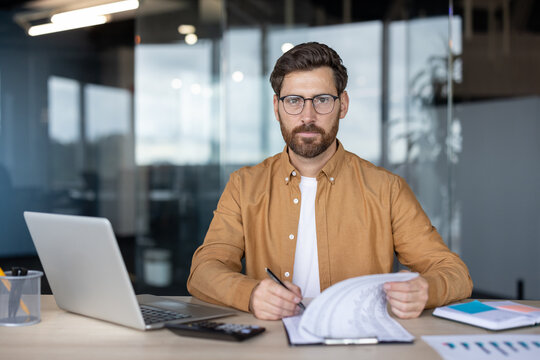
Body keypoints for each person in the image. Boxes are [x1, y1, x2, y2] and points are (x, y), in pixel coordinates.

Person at [187, 42, 473, 321]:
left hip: (361, 345)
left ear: (343, 105)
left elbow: (454, 273)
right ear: (277, 107)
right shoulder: (244, 186)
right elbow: (203, 271)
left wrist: (425, 290)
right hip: (270, 345)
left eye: (322, 100)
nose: (307, 116)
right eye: (294, 101)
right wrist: (250, 294)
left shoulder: (387, 189)